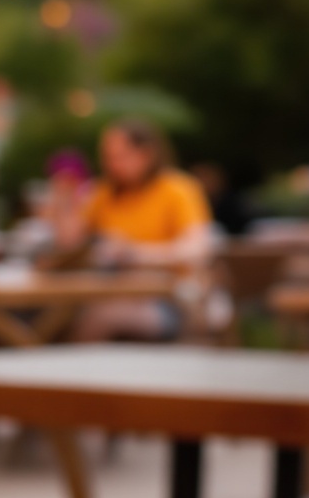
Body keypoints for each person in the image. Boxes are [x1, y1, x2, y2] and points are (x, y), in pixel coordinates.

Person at [60, 119, 218, 340]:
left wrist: (132, 253)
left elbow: (197, 250)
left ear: (146, 154)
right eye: (107, 157)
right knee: (58, 314)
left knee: (100, 318)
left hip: (168, 300)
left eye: (120, 157)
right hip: (109, 292)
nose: (111, 164)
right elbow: (68, 242)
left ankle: (78, 374)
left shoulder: (178, 189)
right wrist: (67, 196)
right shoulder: (104, 192)